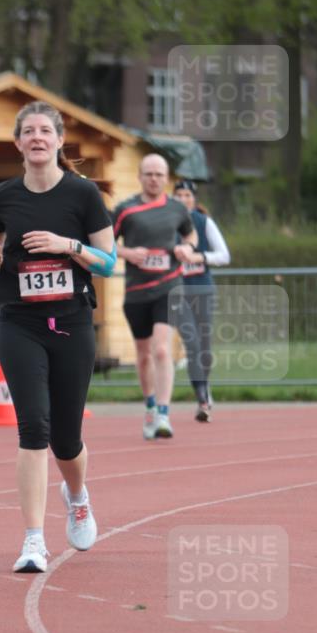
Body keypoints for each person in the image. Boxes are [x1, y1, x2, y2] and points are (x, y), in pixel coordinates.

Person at [0, 100, 116, 573]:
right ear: (17, 142)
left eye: (45, 131)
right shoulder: (2, 196)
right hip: (20, 322)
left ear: (59, 141)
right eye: (28, 131)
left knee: (66, 438)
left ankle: (76, 496)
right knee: (33, 427)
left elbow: (110, 262)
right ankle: (33, 540)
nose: (37, 138)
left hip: (72, 323)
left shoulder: (83, 195)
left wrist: (68, 246)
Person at [112, 154, 197, 440]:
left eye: (159, 175)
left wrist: (187, 249)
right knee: (143, 354)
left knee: (162, 349)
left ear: (166, 178)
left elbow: (191, 236)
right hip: (136, 292)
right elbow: (104, 245)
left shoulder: (177, 209)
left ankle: (163, 413)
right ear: (139, 176)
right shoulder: (125, 210)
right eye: (149, 174)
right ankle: (149, 404)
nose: (154, 179)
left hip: (169, 287)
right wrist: (128, 253)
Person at [173, 179, 231, 422]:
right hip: (177, 291)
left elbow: (224, 256)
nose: (184, 199)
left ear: (194, 199)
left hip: (203, 289)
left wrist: (197, 256)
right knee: (192, 343)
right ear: (172, 198)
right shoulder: (165, 222)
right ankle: (202, 399)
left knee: (204, 346)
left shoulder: (203, 222)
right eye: (179, 195)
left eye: (188, 195)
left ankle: (205, 387)